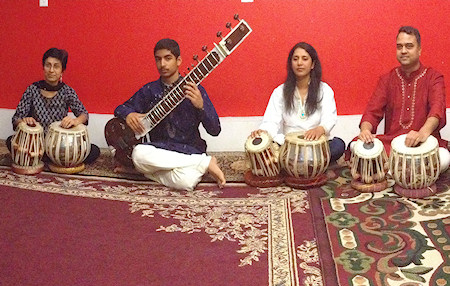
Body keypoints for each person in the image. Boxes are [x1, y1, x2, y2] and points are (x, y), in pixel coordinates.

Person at [113, 38, 226, 191]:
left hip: (189, 150)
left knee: (186, 182)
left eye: (168, 58)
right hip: (160, 150)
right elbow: (120, 108)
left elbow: (215, 129)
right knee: (139, 153)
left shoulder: (194, 89)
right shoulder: (149, 90)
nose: (163, 64)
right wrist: (129, 114)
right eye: (158, 59)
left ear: (179, 61)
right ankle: (204, 163)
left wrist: (201, 106)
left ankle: (141, 170)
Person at [355, 26, 449, 171]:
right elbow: (372, 112)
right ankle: (402, 167)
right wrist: (365, 131)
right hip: (392, 143)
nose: (403, 51)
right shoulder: (387, 79)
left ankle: (392, 167)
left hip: (424, 142)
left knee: (443, 157)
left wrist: (422, 133)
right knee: (356, 146)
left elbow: (437, 110)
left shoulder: (433, 77)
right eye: (399, 47)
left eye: (409, 46)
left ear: (419, 50)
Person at [250, 42, 345, 164]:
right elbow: (271, 121)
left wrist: (320, 129)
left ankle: (295, 162)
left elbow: (330, 118)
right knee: (265, 146)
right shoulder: (280, 92)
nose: (299, 63)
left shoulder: (324, 90)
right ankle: (313, 163)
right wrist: (263, 132)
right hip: (289, 146)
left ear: (313, 64)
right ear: (291, 63)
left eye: (304, 59)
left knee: (338, 145)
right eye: (295, 59)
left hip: (316, 145)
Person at [7, 47, 100, 163]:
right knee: (10, 141)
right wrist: (24, 122)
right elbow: (16, 118)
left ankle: (45, 158)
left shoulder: (67, 91)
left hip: (59, 144)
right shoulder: (32, 89)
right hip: (35, 143)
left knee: (94, 150)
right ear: (43, 67)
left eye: (56, 66)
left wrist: (75, 121)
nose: (51, 70)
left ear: (62, 70)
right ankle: (52, 159)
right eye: (48, 65)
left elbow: (84, 115)